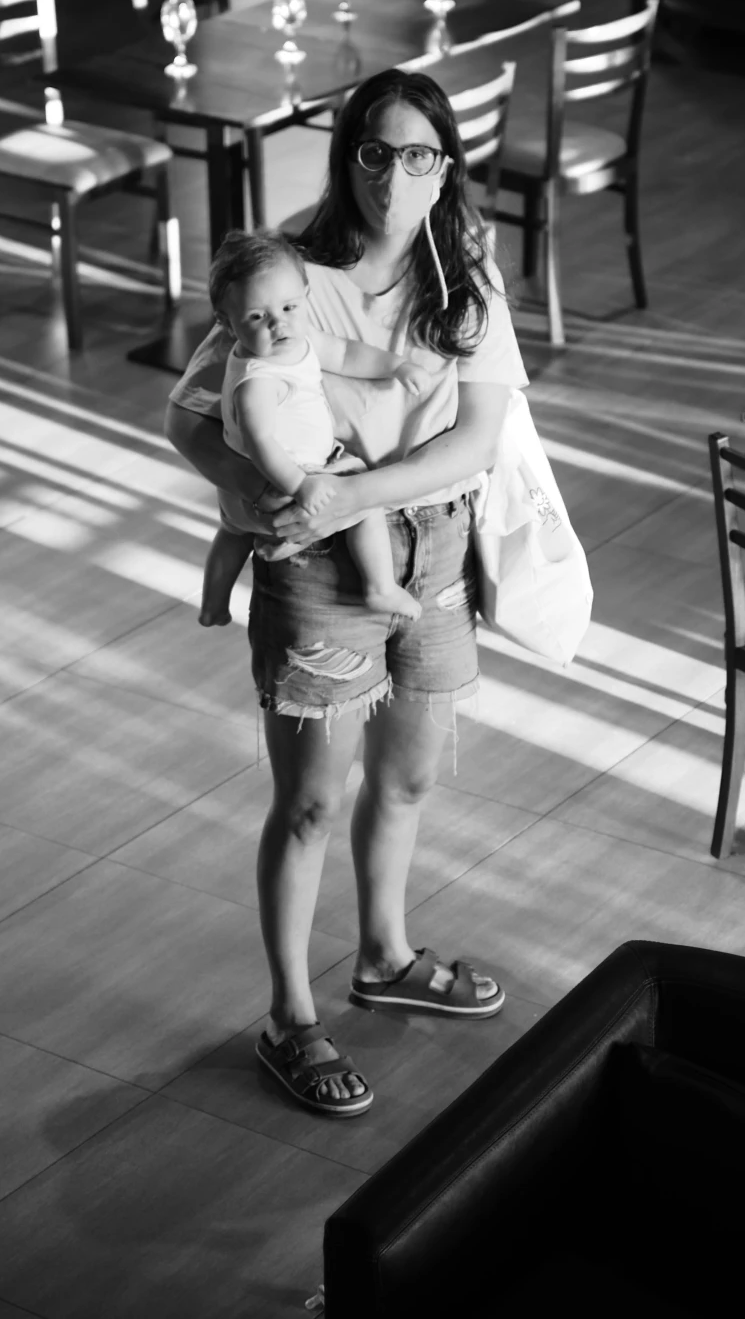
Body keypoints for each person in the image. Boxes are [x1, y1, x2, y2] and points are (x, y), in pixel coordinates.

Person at [166, 69, 525, 1119]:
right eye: (374, 150)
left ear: (443, 167)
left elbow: (475, 437)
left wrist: (351, 492)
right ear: (347, 157)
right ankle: (289, 1015)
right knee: (313, 799)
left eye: (418, 154)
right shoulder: (291, 271)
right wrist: (252, 493)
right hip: (316, 573)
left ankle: (385, 955)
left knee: (406, 783)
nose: (393, 173)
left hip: (434, 552)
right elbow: (188, 415)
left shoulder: (466, 285)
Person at [199, 225, 433, 629]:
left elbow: (344, 354)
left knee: (231, 533)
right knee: (364, 498)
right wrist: (300, 485)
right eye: (258, 317)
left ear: (306, 296)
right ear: (226, 321)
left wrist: (396, 366)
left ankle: (213, 603)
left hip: (246, 487)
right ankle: (379, 585)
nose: (279, 325)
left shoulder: (298, 342)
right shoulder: (258, 381)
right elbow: (261, 443)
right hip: (286, 475)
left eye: (289, 308)